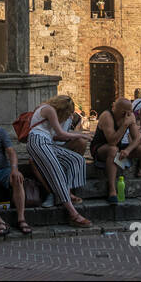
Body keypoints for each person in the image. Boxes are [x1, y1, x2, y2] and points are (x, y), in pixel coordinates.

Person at [25, 95, 91, 227]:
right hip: (38, 142)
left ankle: (66, 191)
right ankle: (73, 214)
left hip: (46, 142)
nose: (66, 116)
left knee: (76, 159)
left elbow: (55, 136)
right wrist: (82, 135)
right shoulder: (48, 109)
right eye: (66, 113)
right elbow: (61, 133)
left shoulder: (47, 110)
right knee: (57, 173)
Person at [90, 97, 141, 205]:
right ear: (122, 111)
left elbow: (137, 137)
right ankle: (112, 190)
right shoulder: (107, 116)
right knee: (113, 150)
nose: (131, 113)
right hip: (101, 147)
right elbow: (112, 141)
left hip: (120, 145)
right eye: (128, 111)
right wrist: (124, 125)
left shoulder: (130, 116)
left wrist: (128, 150)